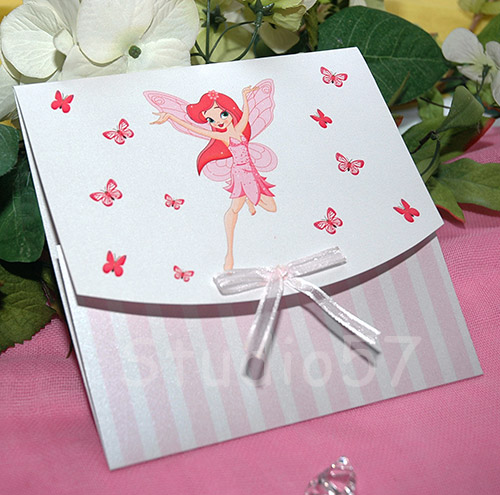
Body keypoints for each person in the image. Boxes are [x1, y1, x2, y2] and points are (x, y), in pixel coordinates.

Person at [150, 84, 277, 271]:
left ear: (230, 111)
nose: (218, 122)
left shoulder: (239, 129)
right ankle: (229, 253)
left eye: (223, 114)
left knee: (272, 207)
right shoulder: (223, 136)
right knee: (234, 209)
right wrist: (170, 116)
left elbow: (246, 114)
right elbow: (195, 129)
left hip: (252, 172)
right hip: (241, 174)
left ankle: (249, 200)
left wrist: (243, 96)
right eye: (211, 119)